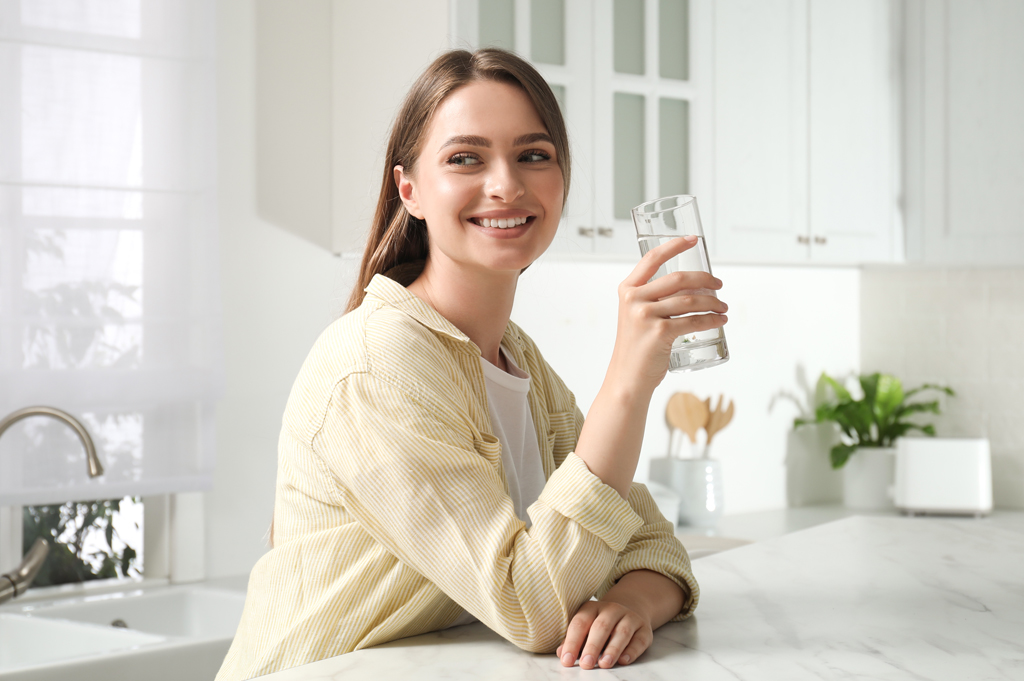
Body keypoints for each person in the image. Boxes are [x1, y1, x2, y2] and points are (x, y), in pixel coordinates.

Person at [216, 47, 728, 680]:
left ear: (561, 182)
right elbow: (530, 605)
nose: (506, 184)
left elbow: (651, 542)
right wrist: (629, 380)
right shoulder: (379, 364)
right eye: (465, 158)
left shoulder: (515, 358)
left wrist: (631, 601)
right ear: (411, 190)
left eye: (533, 155)